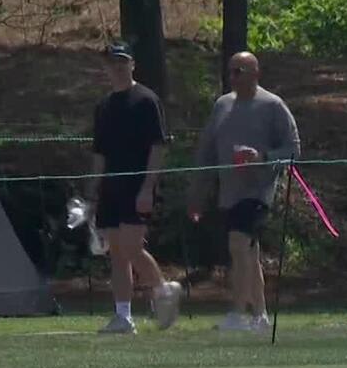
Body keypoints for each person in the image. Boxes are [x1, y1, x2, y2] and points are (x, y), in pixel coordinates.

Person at [188, 52, 302, 334]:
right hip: (229, 191)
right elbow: (206, 151)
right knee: (248, 253)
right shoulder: (222, 106)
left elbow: (293, 149)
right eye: (230, 71)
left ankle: (237, 314)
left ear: (255, 73)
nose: (233, 77)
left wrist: (262, 156)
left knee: (238, 244)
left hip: (258, 190)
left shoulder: (272, 105)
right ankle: (260, 315)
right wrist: (197, 191)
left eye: (239, 71)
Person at [89, 42, 181, 334]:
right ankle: (123, 316)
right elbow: (99, 153)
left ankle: (163, 290)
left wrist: (147, 187)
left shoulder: (145, 100)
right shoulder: (103, 106)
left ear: (132, 65)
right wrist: (92, 191)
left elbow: (157, 147)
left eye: (122, 61)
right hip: (110, 188)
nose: (117, 67)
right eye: (112, 62)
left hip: (136, 185)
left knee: (130, 247)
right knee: (117, 253)